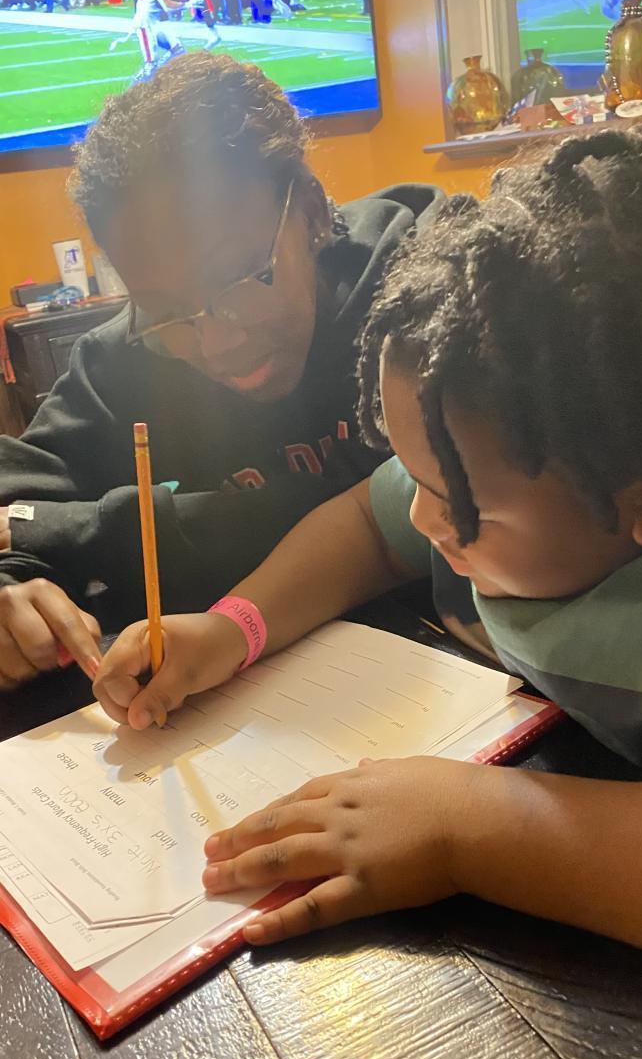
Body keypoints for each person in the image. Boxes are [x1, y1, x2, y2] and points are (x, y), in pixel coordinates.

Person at [94, 126, 642, 967]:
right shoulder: (483, 451)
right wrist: (233, 627)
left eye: (459, 506)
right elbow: (366, 521)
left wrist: (470, 828)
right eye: (414, 475)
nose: (422, 518)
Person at [0, 54, 443, 691]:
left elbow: (395, 512)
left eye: (240, 278)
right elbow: (14, 500)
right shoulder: (123, 356)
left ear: (312, 211)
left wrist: (85, 530)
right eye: (164, 312)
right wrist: (15, 582)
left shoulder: (434, 288)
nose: (217, 343)